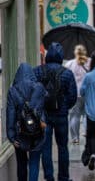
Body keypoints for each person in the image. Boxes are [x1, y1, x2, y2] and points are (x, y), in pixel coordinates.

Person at [34, 42, 77, 181]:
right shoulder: (67, 73)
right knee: (63, 147)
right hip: (61, 115)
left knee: (45, 148)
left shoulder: (38, 71)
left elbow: (33, 93)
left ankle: (49, 177)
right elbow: (72, 96)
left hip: (43, 116)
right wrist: (64, 107)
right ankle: (63, 177)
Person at [7, 63, 47, 181]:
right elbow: (41, 109)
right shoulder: (39, 87)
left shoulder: (12, 91)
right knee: (34, 163)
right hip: (37, 132)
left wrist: (11, 137)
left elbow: (10, 114)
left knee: (21, 164)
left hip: (20, 133)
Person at [65, 45, 90, 144]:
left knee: (74, 116)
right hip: (87, 93)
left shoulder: (69, 64)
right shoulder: (89, 62)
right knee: (86, 115)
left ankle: (75, 138)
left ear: (75, 52)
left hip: (74, 94)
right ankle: (87, 131)